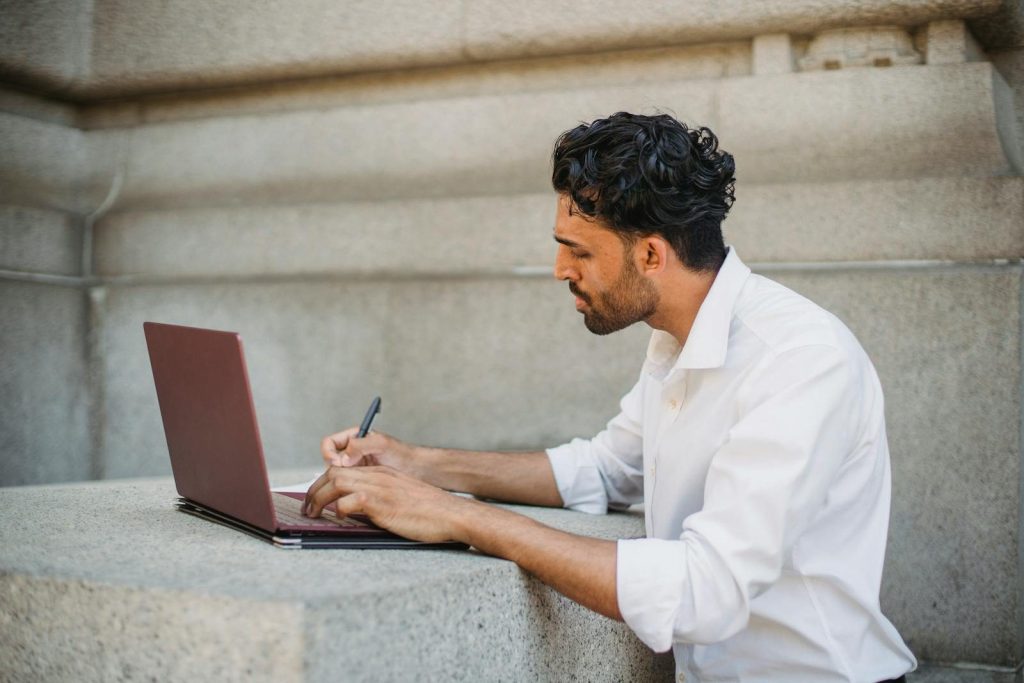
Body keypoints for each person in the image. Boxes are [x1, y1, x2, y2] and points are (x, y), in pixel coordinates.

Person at [303, 112, 917, 682]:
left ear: (651, 254)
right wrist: (418, 466)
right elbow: (604, 468)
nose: (558, 269)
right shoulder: (676, 338)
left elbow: (708, 592)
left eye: (578, 250)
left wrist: (457, 516)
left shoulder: (800, 359)